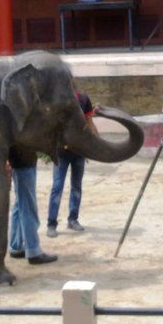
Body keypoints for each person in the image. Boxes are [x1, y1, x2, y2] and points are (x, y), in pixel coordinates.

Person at [46, 91, 98, 238]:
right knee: (57, 187)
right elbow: (50, 126)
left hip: (79, 152)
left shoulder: (84, 99)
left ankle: (73, 219)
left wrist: (97, 145)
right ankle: (51, 223)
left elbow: (89, 122)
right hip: (61, 153)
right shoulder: (58, 99)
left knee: (76, 186)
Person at [8, 147, 58, 264]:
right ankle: (33, 251)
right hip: (23, 164)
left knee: (19, 204)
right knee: (28, 207)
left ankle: (16, 245)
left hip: (20, 163)